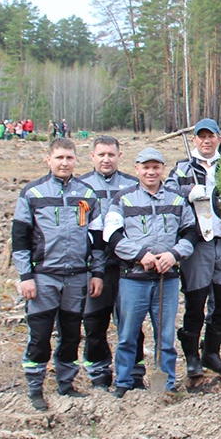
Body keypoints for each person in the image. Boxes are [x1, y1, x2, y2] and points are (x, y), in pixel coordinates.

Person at [13, 138, 104, 410]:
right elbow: (19, 238)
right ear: (48, 160)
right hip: (43, 277)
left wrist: (97, 273)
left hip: (77, 277)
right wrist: (25, 276)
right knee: (40, 335)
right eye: (59, 158)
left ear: (77, 161)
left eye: (69, 158)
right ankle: (35, 388)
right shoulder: (32, 194)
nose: (64, 163)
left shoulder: (86, 195)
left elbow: (96, 238)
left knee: (72, 333)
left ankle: (66, 384)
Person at [104, 147, 197, 397]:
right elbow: (111, 235)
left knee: (165, 337)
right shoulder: (123, 199)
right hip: (133, 279)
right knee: (127, 335)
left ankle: (165, 385)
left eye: (156, 167)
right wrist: (139, 255)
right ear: (137, 169)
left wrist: (174, 255)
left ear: (162, 169)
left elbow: (190, 233)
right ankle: (123, 382)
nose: (151, 172)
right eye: (146, 167)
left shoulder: (176, 199)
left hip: (166, 279)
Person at [165, 118, 221, 377]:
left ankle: (211, 352)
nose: (206, 141)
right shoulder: (183, 168)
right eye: (201, 136)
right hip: (198, 244)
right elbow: (168, 196)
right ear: (194, 139)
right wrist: (188, 192)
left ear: (219, 138)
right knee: (196, 302)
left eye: (211, 136)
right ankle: (192, 357)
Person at [79, 136, 140, 390]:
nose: (106, 159)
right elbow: (80, 227)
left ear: (119, 156)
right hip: (95, 268)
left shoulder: (132, 185)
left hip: (127, 266)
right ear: (92, 156)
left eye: (111, 155)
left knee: (130, 322)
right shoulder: (80, 187)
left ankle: (134, 373)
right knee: (94, 322)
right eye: (101, 154)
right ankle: (99, 373)